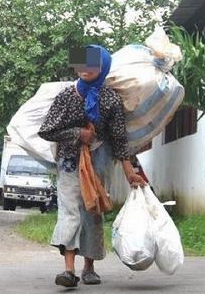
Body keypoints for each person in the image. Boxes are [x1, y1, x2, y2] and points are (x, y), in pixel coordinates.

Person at [38, 45, 146, 288]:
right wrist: (78, 134)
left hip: (99, 161)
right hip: (69, 161)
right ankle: (68, 270)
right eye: (82, 64)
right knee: (70, 211)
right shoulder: (66, 96)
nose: (86, 69)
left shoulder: (110, 100)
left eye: (92, 64)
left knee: (92, 211)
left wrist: (131, 173)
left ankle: (89, 267)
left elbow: (119, 139)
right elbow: (47, 130)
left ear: (103, 67)